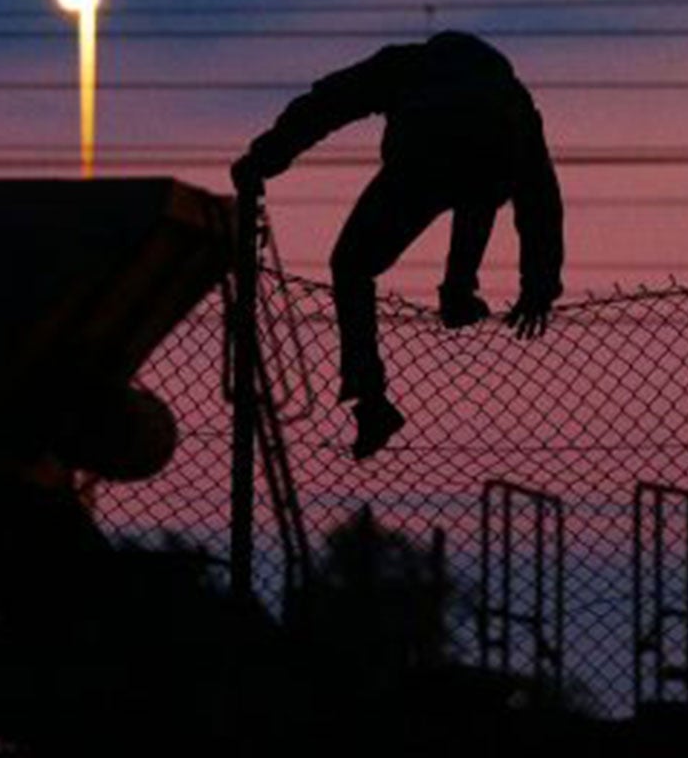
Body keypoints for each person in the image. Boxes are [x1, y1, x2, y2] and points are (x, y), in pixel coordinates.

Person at [231, 31, 564, 460]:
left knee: (353, 263)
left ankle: (371, 395)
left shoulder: (408, 67)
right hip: (483, 165)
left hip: (423, 157)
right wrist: (538, 283)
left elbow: (327, 103)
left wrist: (264, 159)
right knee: (477, 189)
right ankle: (458, 291)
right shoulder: (511, 101)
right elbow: (539, 196)